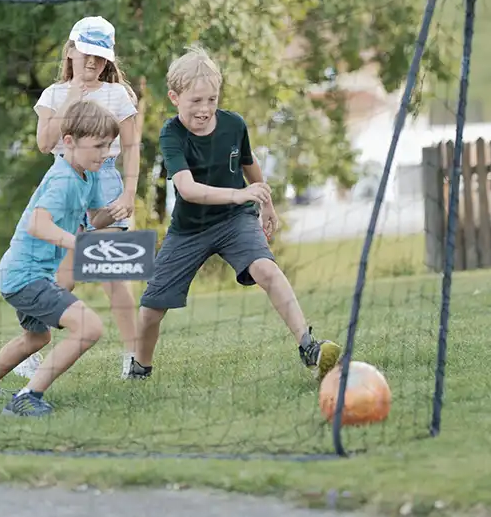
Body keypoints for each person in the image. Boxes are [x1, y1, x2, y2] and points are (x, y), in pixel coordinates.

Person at [128, 47, 342, 382]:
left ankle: (309, 345)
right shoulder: (172, 134)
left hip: (234, 220)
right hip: (189, 231)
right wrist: (239, 193)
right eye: (195, 101)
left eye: (211, 99)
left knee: (267, 270)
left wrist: (265, 202)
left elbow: (249, 164)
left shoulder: (233, 125)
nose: (204, 109)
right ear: (174, 97)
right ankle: (140, 368)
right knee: (150, 310)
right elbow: (186, 188)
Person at [0, 100, 121, 417]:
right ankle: (26, 397)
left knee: (37, 337)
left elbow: (93, 219)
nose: (105, 152)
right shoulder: (62, 180)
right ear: (69, 142)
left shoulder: (89, 174)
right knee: (88, 328)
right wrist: (78, 245)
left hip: (26, 275)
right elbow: (38, 224)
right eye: (98, 145)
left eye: (109, 145)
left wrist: (114, 213)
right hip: (26, 276)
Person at [14, 15, 141, 381]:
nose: (92, 63)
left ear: (108, 62)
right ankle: (32, 347)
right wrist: (72, 96)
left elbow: (132, 146)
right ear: (70, 51)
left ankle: (133, 356)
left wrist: (130, 192)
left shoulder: (117, 95)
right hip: (66, 186)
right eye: (85, 54)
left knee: (113, 275)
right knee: (57, 279)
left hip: (106, 186)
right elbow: (43, 143)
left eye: (100, 58)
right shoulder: (53, 95)